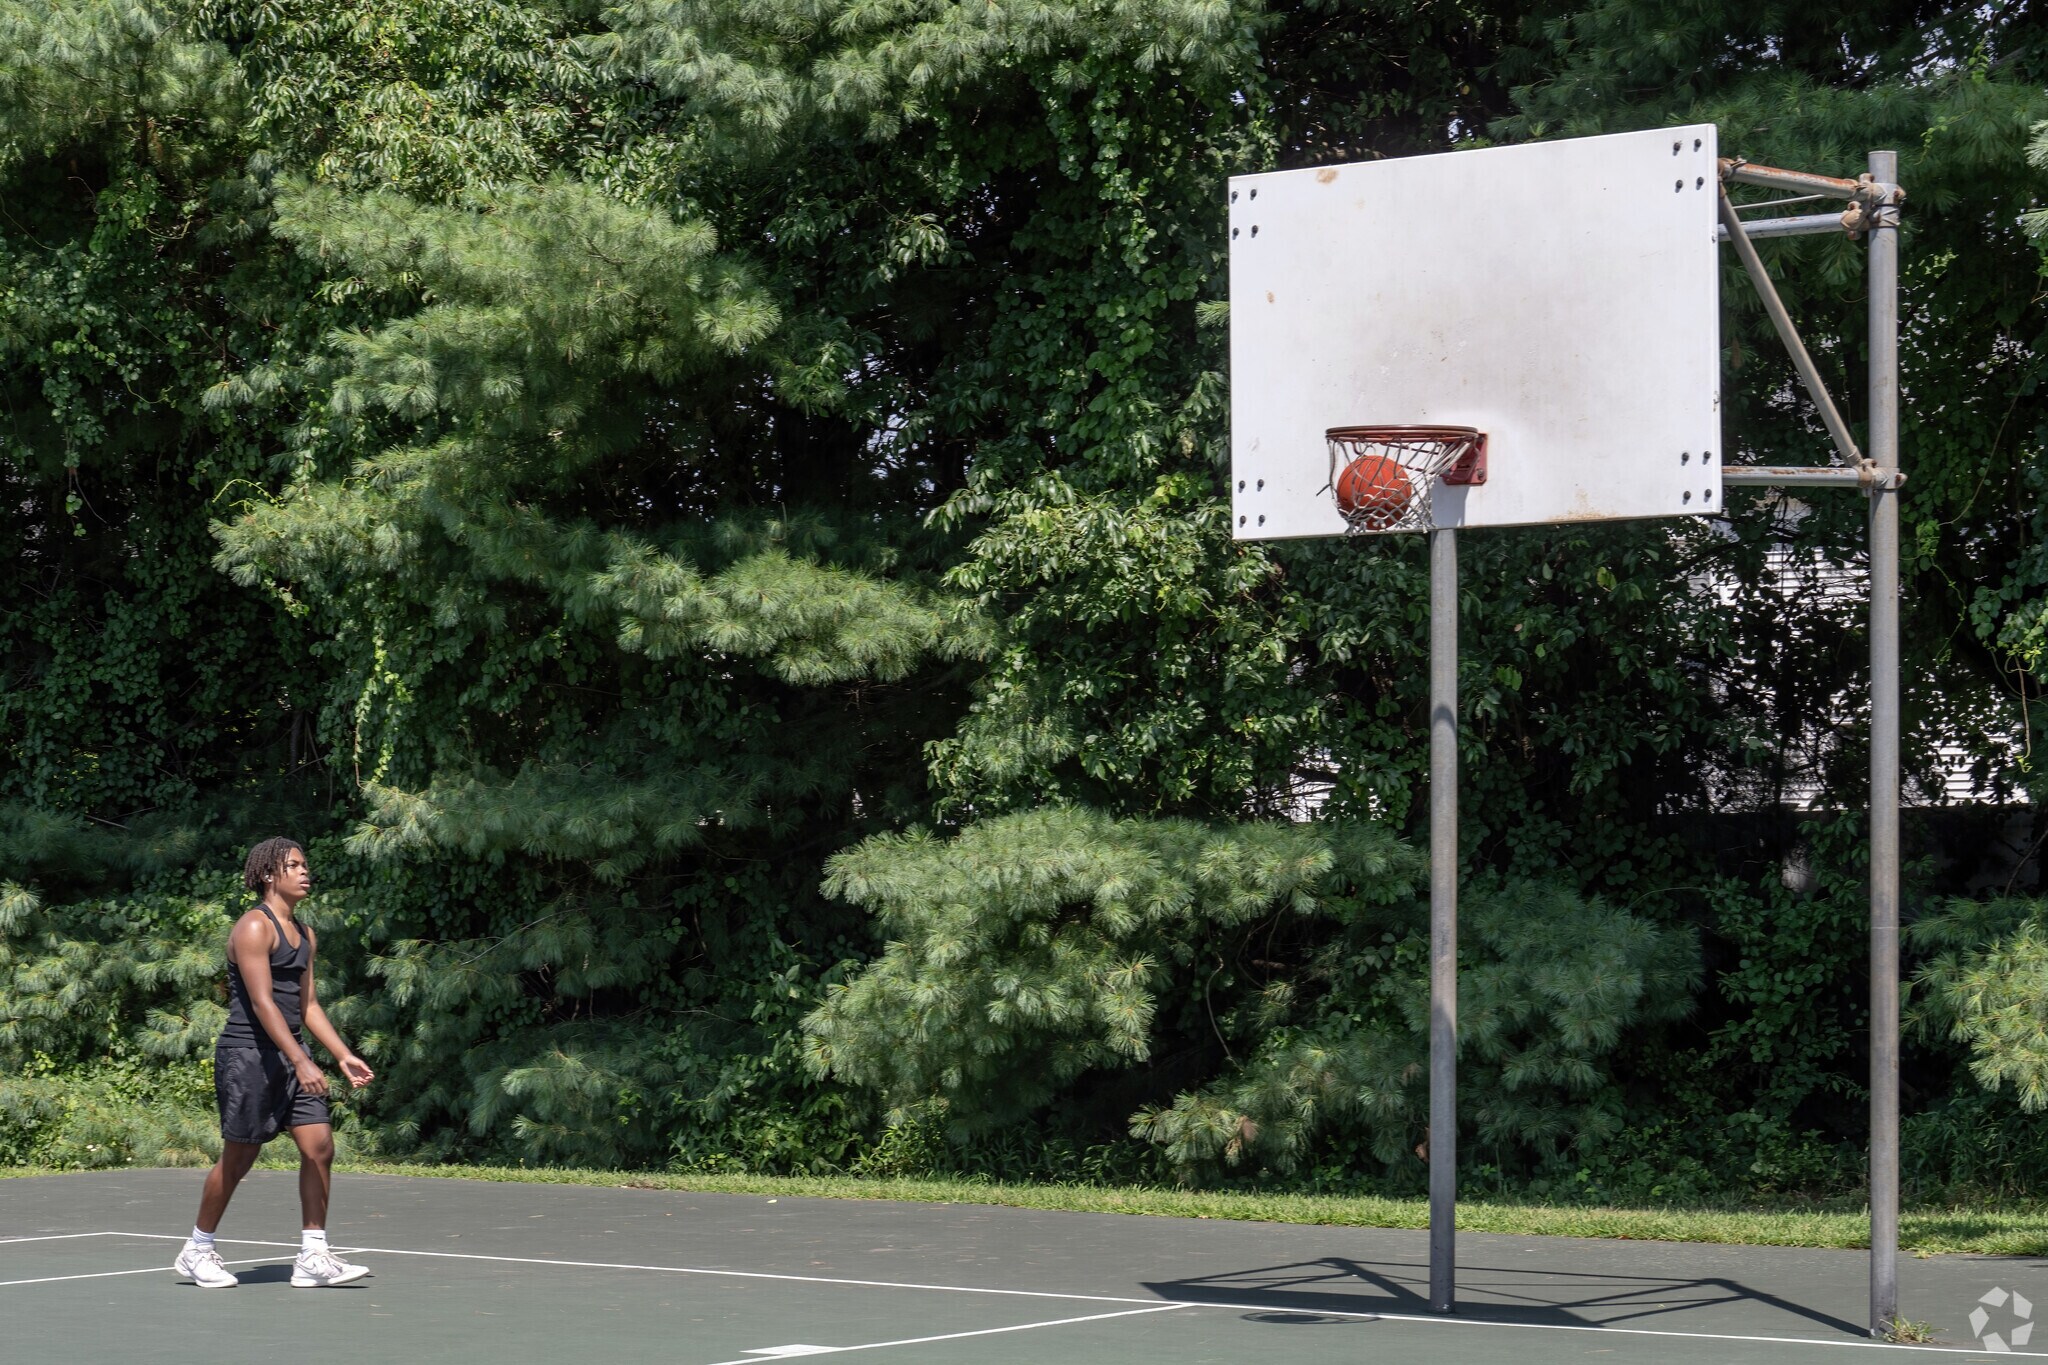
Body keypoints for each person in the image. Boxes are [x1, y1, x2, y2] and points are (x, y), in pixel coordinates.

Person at [173, 837, 376, 1289]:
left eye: (306, 865)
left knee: (319, 1145)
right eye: (295, 865)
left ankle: (313, 1256)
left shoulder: (305, 935)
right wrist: (302, 1060)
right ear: (269, 874)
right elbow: (264, 1004)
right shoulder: (253, 927)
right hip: (248, 1056)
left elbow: (307, 1006)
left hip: (290, 1056)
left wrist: (342, 1055)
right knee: (240, 1157)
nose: (306, 872)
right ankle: (197, 1250)